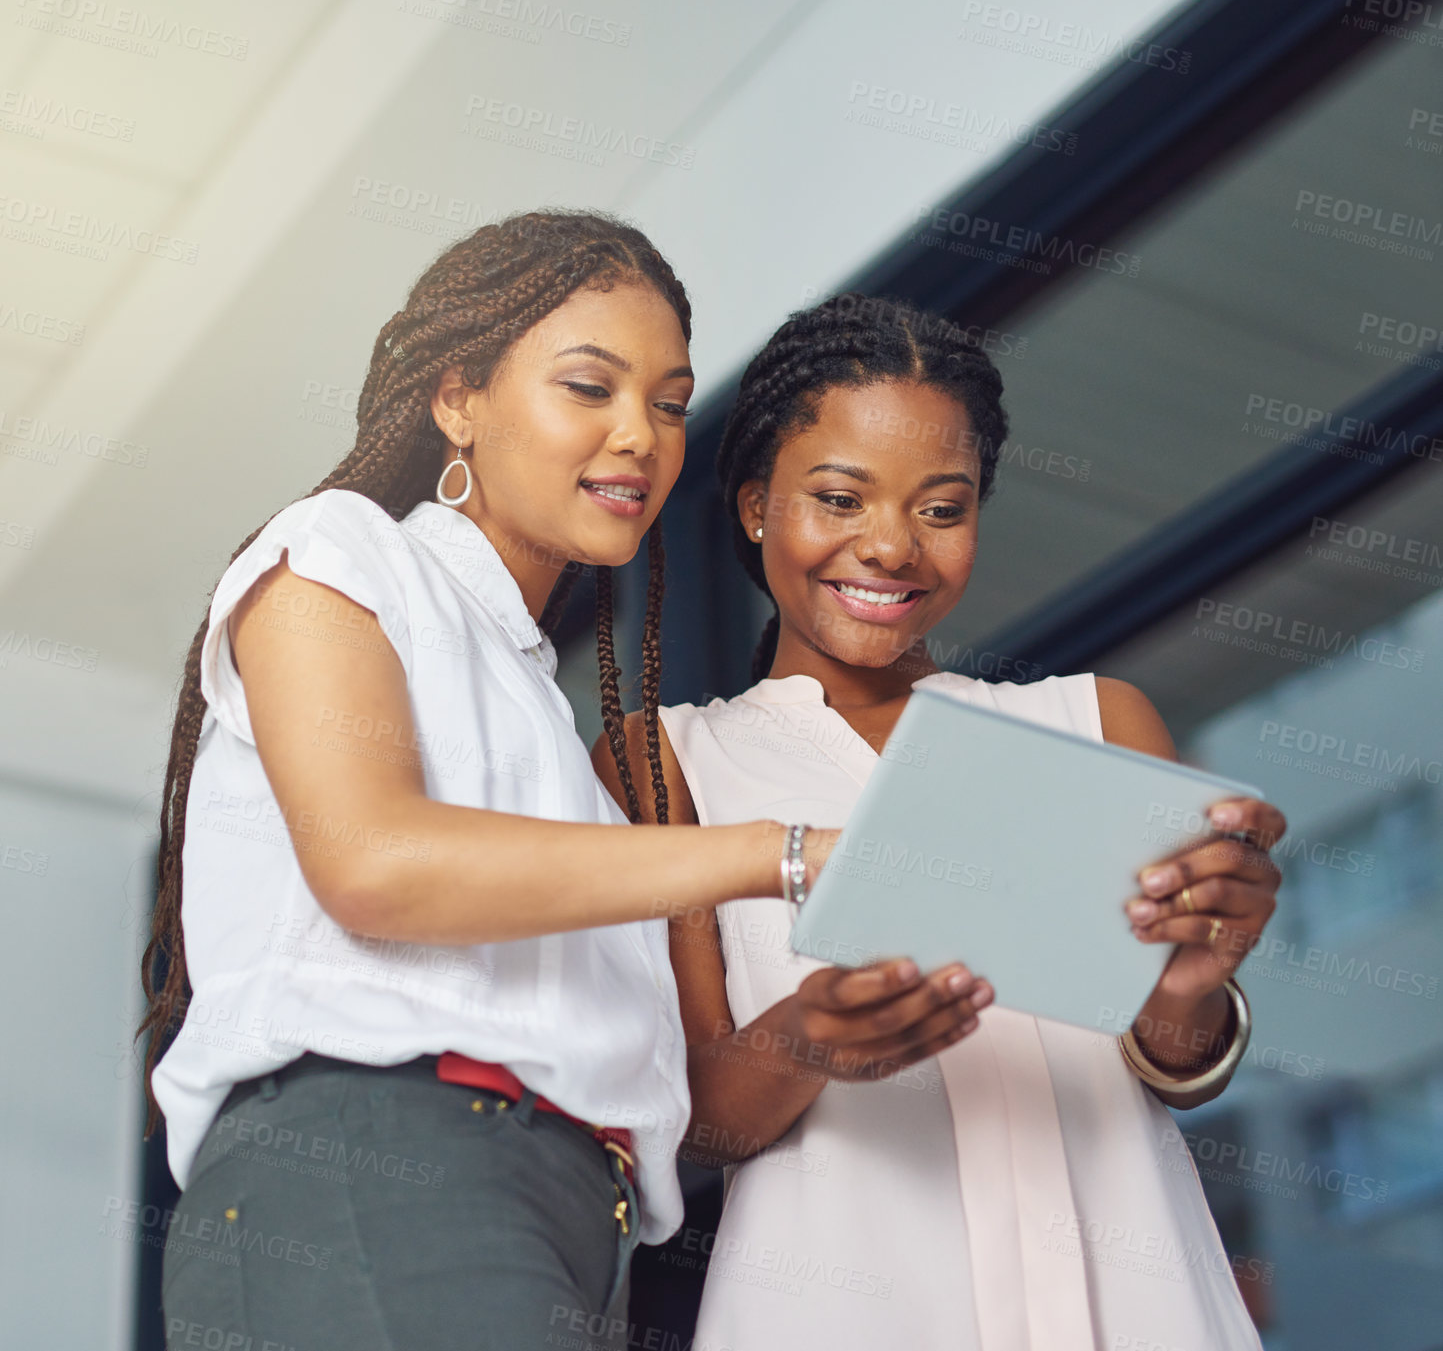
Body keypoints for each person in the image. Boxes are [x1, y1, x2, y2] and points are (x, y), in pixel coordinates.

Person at [139, 212, 842, 1351]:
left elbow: (668, 1092)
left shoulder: (555, 745)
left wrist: (820, 1024)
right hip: (390, 1165)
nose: (643, 436)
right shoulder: (339, 551)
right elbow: (374, 861)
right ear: (457, 396)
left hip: (573, 1226)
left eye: (668, 403)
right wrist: (783, 850)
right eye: (589, 386)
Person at [594, 293, 1285, 1350]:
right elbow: (690, 1120)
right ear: (752, 507)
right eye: (838, 496)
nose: (891, 546)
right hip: (845, 1307)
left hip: (1138, 1299)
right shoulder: (667, 762)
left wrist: (1190, 983)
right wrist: (810, 1035)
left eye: (942, 507)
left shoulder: (1097, 720)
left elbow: (1176, 1056)